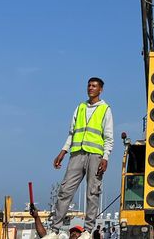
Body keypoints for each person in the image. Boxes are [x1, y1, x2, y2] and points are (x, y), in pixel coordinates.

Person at [52, 77, 114, 234]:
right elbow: (72, 133)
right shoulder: (80, 108)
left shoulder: (105, 109)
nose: (90, 88)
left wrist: (105, 158)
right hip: (77, 154)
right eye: (89, 85)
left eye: (94, 86)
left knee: (92, 193)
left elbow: (109, 138)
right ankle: (55, 229)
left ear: (101, 90)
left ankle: (87, 230)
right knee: (65, 190)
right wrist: (63, 151)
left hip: (95, 156)